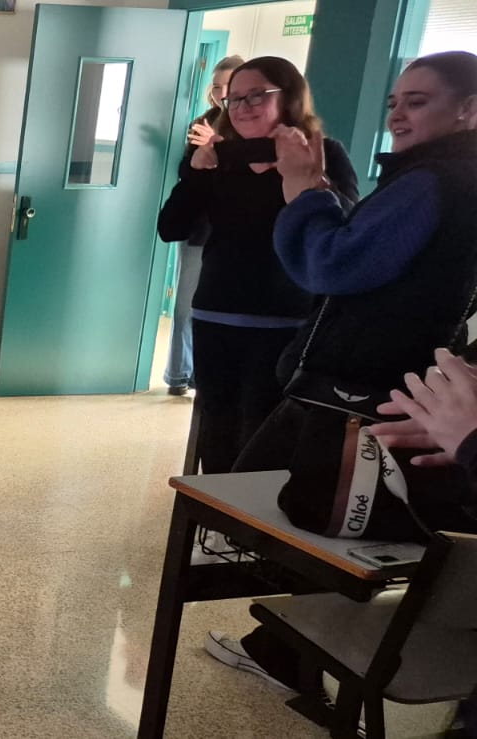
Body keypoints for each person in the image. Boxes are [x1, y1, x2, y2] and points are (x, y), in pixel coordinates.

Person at [205, 50, 477, 694]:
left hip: (356, 386)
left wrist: (305, 189)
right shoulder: (437, 177)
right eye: (394, 102)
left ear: (468, 109)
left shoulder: (433, 180)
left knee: (312, 515)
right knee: (292, 499)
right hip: (377, 380)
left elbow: (332, 264)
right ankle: (287, 643)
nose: (398, 115)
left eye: (418, 102)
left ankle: (297, 649)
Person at [156, 56, 358, 475]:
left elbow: (346, 233)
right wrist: (196, 173)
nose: (242, 107)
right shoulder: (219, 156)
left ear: (289, 98)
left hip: (287, 320)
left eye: (256, 96)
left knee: (265, 433)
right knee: (218, 427)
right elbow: (170, 227)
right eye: (234, 98)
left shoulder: (322, 153)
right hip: (216, 313)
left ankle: (251, 515)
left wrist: (306, 179)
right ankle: (215, 512)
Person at [164, 55, 243, 397]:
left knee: (220, 309)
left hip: (235, 235)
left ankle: (204, 378)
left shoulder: (249, 129)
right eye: (216, 86)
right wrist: (203, 152)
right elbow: (187, 173)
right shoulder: (202, 122)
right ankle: (179, 374)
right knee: (185, 307)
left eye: (229, 87)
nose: (221, 94)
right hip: (198, 229)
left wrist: (221, 147)